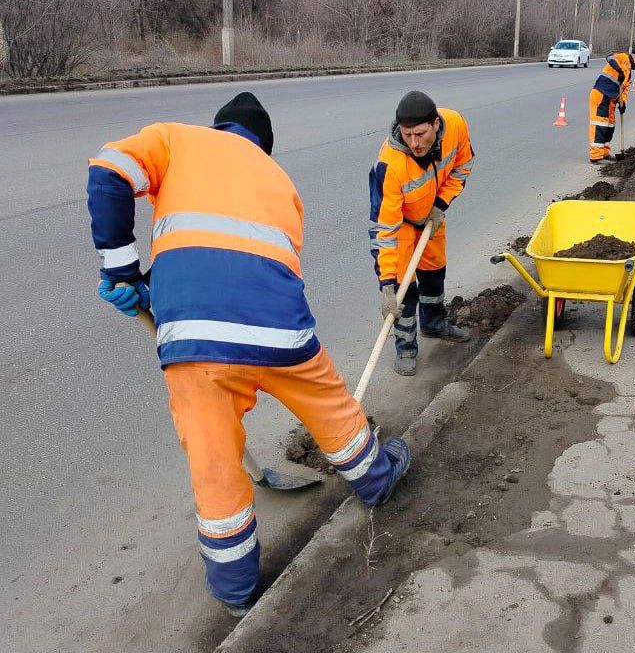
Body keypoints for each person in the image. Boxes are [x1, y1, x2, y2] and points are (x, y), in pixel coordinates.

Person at [86, 92, 411, 617]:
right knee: (334, 411)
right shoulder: (280, 182)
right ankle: (376, 480)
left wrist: (127, 275)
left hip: (193, 341)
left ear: (219, 128)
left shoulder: (176, 140)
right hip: (280, 330)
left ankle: (237, 592)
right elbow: (253, 266)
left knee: (215, 469)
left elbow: (108, 173)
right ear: (264, 146)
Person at [368, 91, 475, 376]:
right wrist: (387, 284)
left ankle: (434, 323)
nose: (413, 143)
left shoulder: (455, 125)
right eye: (407, 135)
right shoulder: (389, 164)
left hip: (431, 216)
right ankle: (405, 347)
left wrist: (440, 206)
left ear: (435, 125)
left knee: (434, 273)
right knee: (405, 290)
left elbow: (463, 166)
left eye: (420, 134)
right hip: (401, 224)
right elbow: (384, 229)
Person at [588, 47, 635, 163]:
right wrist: (618, 70)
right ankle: (595, 156)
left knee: (609, 126)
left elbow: (624, 91)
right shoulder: (623, 57)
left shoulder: (629, 74)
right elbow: (609, 57)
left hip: (611, 100)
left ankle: (604, 153)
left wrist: (623, 103)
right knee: (599, 125)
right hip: (601, 94)